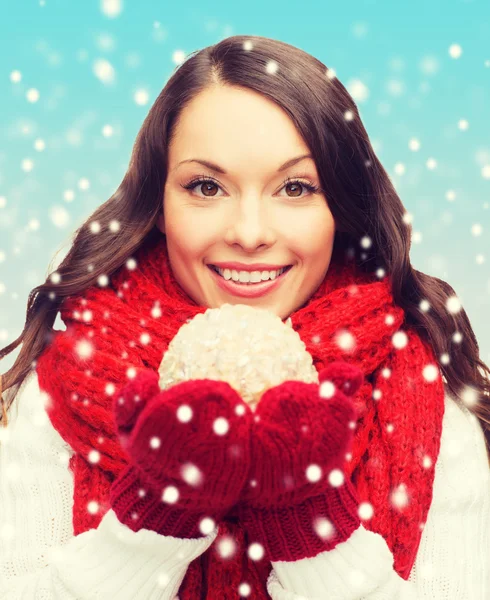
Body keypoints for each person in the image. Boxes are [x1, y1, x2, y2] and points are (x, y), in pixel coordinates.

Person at [0, 34, 489, 599]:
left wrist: (311, 526)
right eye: (206, 186)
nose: (250, 233)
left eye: (296, 187)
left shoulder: (430, 398)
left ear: (342, 208)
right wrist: (158, 513)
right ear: (159, 205)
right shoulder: (51, 398)